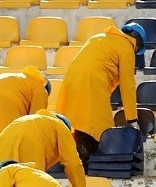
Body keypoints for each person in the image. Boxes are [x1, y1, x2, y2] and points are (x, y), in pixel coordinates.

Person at [56, 23, 145, 166]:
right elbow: (128, 86)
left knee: (78, 123)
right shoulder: (127, 48)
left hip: (71, 81)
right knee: (102, 130)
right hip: (92, 84)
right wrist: (132, 119)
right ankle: (93, 164)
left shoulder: (98, 38)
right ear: (137, 44)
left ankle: (81, 160)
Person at [0, 110, 93, 187]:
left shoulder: (34, 121)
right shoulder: (60, 126)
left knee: (4, 186)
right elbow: (72, 162)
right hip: (28, 144)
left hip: (2, 141)